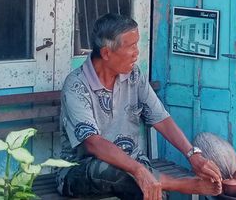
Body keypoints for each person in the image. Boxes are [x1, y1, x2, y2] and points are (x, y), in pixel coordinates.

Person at [57, 13, 223, 200]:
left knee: (148, 188)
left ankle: (158, 181)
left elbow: (161, 118)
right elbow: (93, 143)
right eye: (131, 46)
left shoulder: (134, 75)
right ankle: (180, 185)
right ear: (106, 53)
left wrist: (192, 154)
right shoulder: (76, 85)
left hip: (133, 165)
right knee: (119, 174)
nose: (137, 52)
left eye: (137, 44)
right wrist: (139, 170)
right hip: (81, 171)